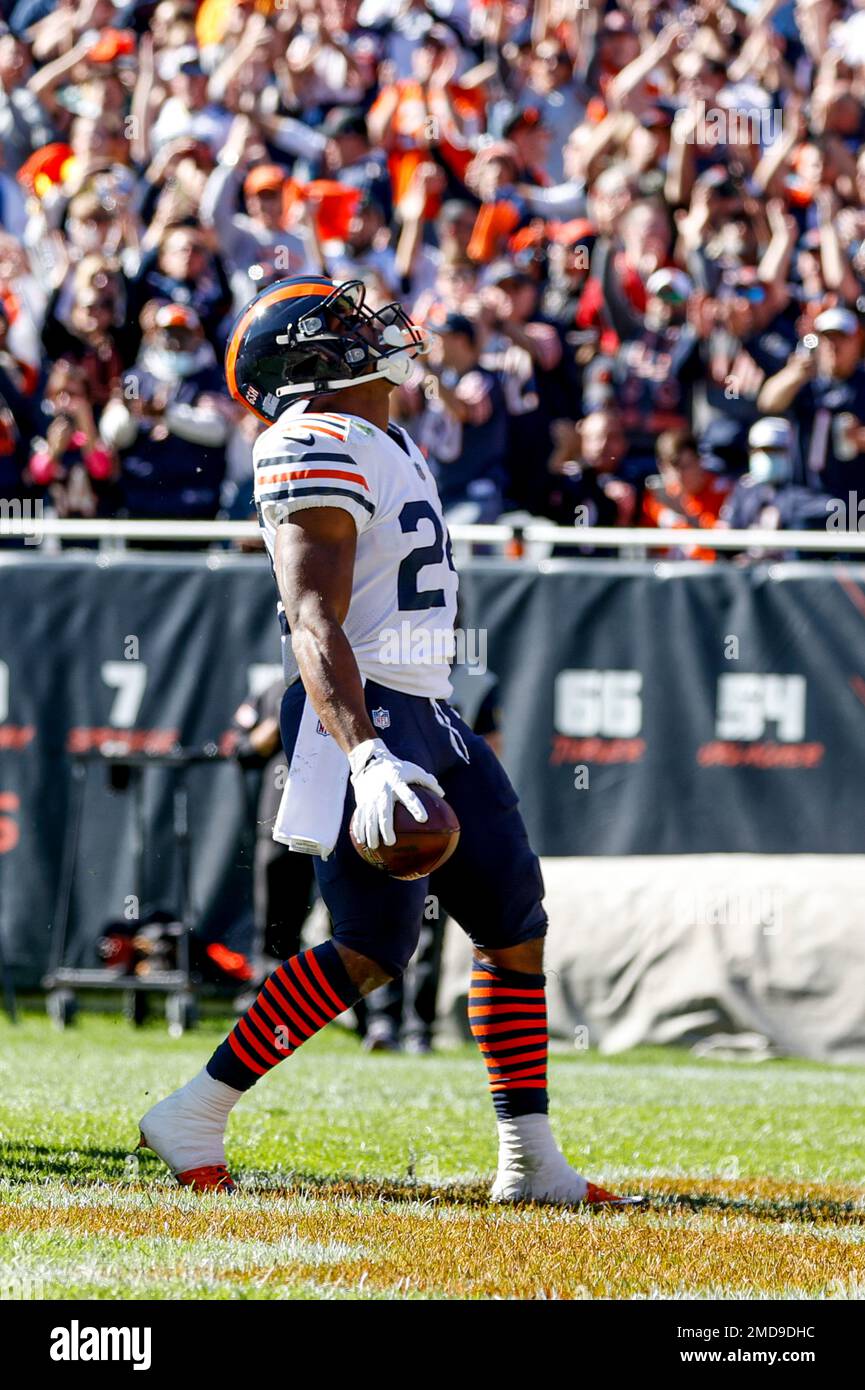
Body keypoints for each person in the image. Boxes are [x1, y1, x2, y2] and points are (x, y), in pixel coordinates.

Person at [138, 273, 632, 1207]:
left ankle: (530, 1162)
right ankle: (194, 1110)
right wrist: (363, 752)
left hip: (429, 705)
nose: (379, 330)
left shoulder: (385, 437)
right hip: (368, 710)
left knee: (514, 921)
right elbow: (311, 620)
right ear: (311, 362)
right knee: (369, 948)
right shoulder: (307, 440)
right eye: (347, 326)